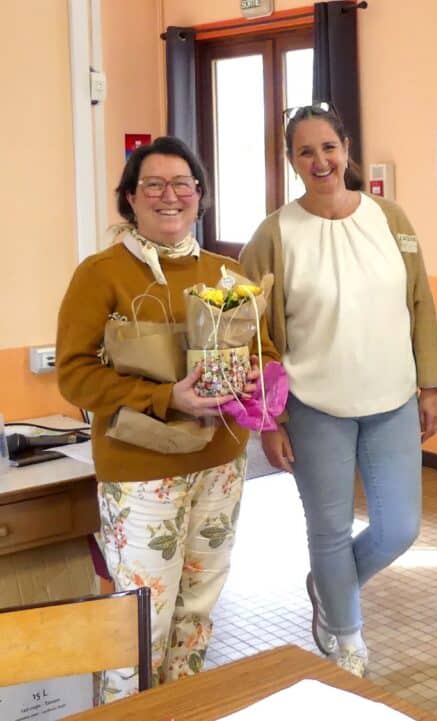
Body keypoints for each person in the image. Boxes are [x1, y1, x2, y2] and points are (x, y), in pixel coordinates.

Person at [56, 136, 279, 700]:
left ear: (200, 195)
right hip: (141, 472)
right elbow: (75, 376)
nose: (169, 196)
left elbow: (267, 352)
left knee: (197, 612)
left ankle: (181, 709)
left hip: (220, 465)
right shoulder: (100, 274)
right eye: (153, 185)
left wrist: (259, 377)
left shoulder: (228, 274)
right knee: (142, 623)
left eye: (182, 184)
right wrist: (165, 398)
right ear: (130, 198)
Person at [240, 104, 437, 678]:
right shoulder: (274, 234)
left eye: (329, 147)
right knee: (329, 529)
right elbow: (251, 334)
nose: (320, 160)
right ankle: (346, 638)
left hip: (393, 398)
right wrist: (269, 420)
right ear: (291, 161)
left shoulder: (391, 219)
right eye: (305, 151)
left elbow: (420, 302)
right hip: (313, 406)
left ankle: (328, 586)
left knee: (399, 528)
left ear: (347, 149)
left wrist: (430, 384)